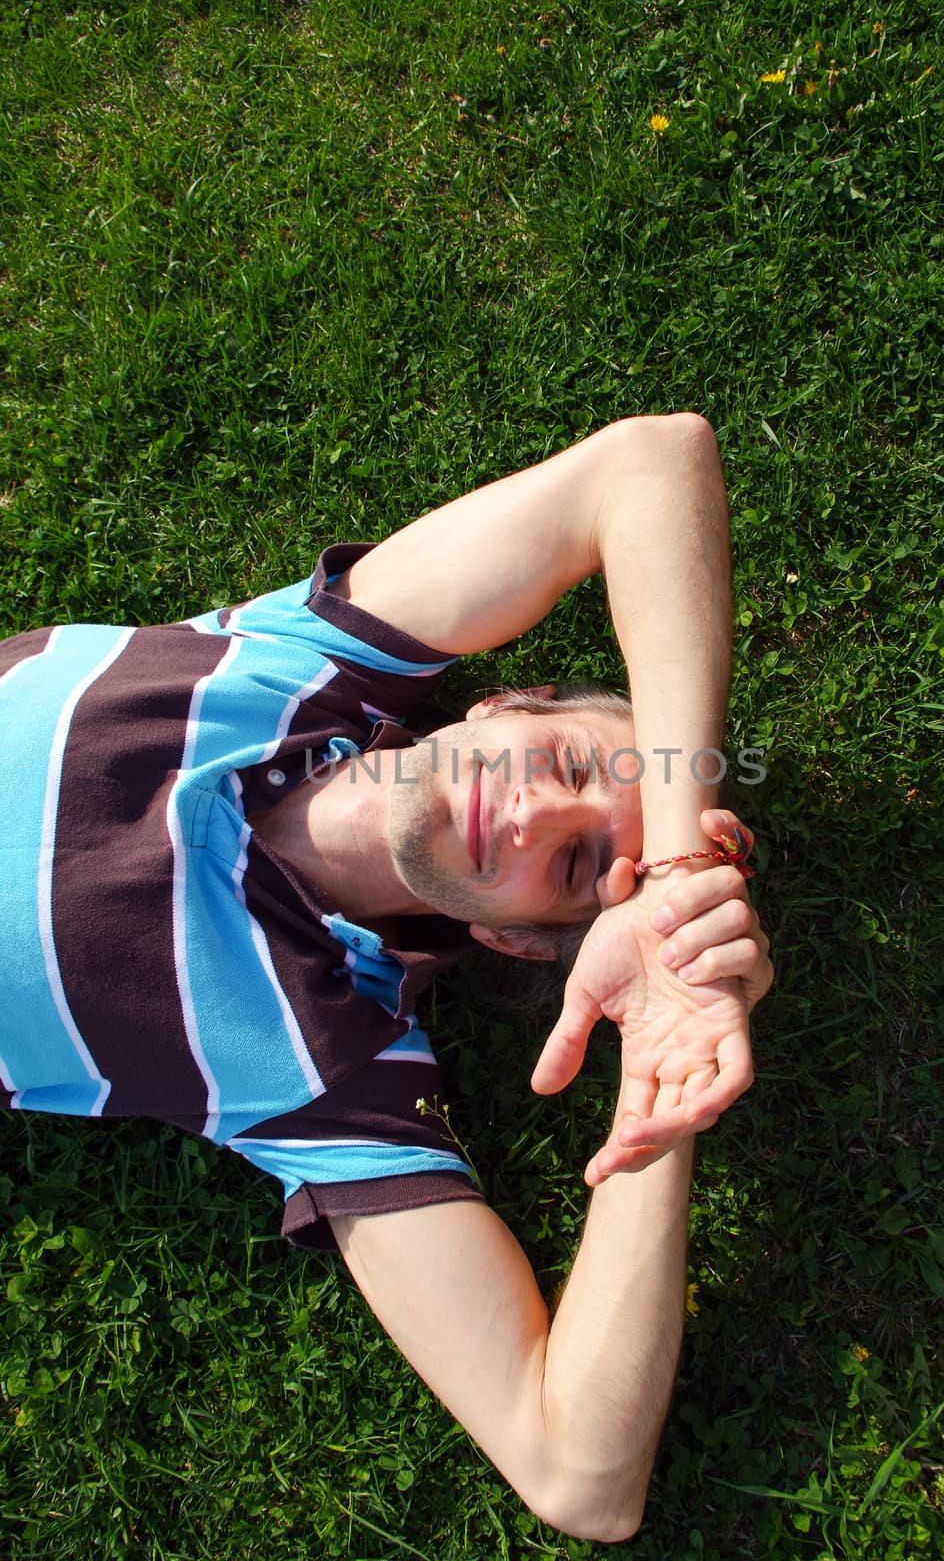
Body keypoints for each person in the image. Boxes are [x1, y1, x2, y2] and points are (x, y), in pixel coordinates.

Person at [0, 413, 772, 1541]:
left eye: (571, 868)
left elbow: (578, 1472)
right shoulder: (308, 660)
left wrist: (672, 1042)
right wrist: (673, 860)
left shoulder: (330, 1066)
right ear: (502, 706)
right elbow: (650, 462)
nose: (526, 812)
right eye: (562, 764)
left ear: (513, 941)